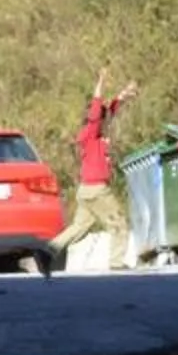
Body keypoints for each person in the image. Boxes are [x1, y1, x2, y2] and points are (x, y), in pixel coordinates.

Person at [52, 76, 137, 263]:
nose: (107, 123)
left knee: (78, 227)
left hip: (86, 190)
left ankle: (47, 251)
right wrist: (101, 83)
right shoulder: (89, 133)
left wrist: (123, 95)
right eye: (103, 120)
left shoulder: (96, 134)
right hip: (97, 190)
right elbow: (97, 112)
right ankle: (116, 263)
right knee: (119, 224)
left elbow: (109, 112)